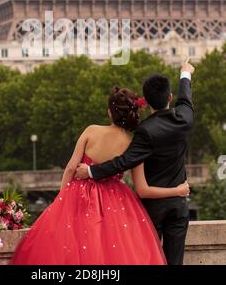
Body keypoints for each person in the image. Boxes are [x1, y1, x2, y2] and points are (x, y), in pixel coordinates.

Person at [10, 87, 190, 265]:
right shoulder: (133, 143)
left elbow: (71, 168)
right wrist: (177, 190)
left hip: (80, 197)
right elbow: (142, 189)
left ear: (110, 112)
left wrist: (62, 197)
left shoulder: (91, 131)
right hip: (117, 202)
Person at [76, 60, 195, 265]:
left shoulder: (145, 130)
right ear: (170, 97)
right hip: (178, 205)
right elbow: (186, 99)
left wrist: (92, 171)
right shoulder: (184, 118)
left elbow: (124, 162)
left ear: (146, 102)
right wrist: (185, 73)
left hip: (152, 209)